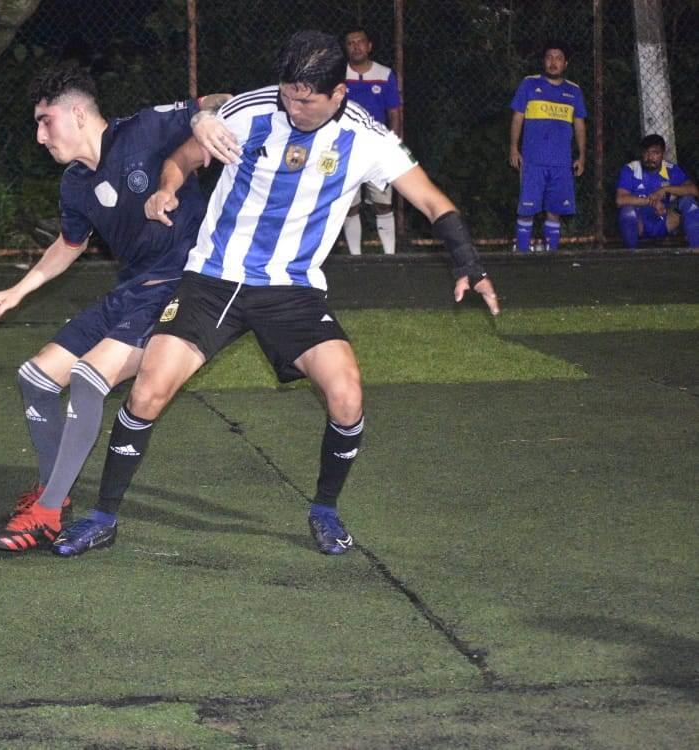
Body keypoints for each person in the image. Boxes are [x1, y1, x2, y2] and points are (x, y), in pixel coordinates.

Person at [49, 30, 500, 558]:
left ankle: (325, 510)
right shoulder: (249, 111)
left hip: (292, 290)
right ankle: (103, 517)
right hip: (212, 279)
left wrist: (469, 261)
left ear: (338, 95)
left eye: (305, 101)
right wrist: (166, 188)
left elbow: (431, 201)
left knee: (347, 395)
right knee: (147, 392)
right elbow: (183, 158)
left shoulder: (368, 138)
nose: (293, 108)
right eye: (287, 95)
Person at [0, 67, 231, 552]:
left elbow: (224, 98)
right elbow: (70, 244)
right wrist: (18, 290)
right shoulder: (74, 184)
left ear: (77, 113)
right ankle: (56, 493)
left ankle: (47, 513)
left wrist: (202, 121)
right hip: (134, 287)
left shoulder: (145, 129)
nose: (39, 136)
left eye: (44, 121)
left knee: (91, 379)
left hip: (183, 281)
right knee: (35, 377)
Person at [508, 40, 587, 253]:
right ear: (544, 61)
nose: (553, 62)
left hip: (561, 163)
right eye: (549, 57)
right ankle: (522, 252)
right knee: (526, 210)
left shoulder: (574, 91)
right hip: (533, 162)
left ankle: (552, 255)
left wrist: (581, 156)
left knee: (555, 211)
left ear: (566, 63)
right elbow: (517, 118)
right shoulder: (529, 84)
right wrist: (514, 148)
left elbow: (579, 125)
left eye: (558, 58)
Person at [342, 27, 402, 255]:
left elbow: (394, 113)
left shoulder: (384, 74)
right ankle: (355, 257)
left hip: (377, 148)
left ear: (369, 46)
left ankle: (390, 256)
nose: (356, 46)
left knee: (383, 202)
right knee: (350, 204)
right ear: (346, 48)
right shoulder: (338, 75)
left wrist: (392, 144)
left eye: (360, 41)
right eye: (351, 42)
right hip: (346, 148)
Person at [615, 134, 699, 249]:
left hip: (665, 221)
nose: (650, 157)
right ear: (641, 153)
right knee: (627, 211)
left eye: (655, 153)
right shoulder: (631, 169)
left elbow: (694, 190)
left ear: (663, 154)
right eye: (646, 153)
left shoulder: (671, 169)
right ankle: (632, 255)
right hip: (640, 224)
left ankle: (696, 251)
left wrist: (665, 189)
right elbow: (620, 199)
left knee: (689, 202)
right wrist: (651, 202)